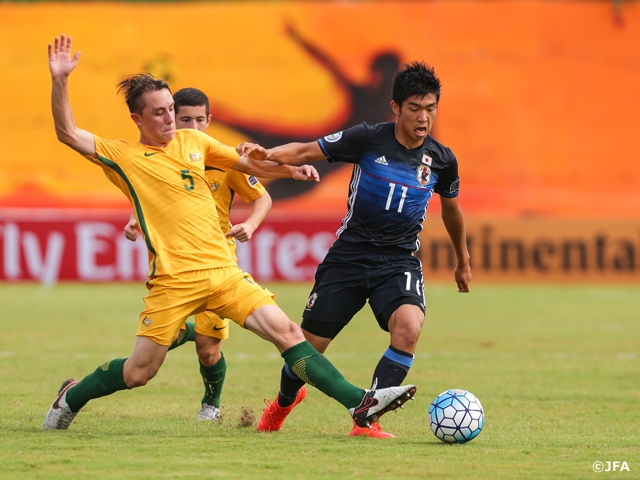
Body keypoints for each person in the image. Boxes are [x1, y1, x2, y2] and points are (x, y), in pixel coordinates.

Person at [43, 34, 417, 431]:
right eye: (159, 113)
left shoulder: (194, 141)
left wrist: (289, 169)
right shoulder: (124, 156)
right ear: (137, 119)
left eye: (172, 109)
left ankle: (360, 403)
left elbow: (247, 165)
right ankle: (73, 395)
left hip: (224, 271)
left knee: (286, 331)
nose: (170, 119)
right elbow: (68, 133)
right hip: (174, 281)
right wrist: (60, 80)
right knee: (139, 372)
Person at [244, 61, 471, 438]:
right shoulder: (367, 138)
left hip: (398, 260)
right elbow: (304, 151)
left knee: (409, 328)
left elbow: (452, 210)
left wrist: (462, 261)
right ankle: (283, 402)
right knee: (308, 347)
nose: (423, 117)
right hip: (349, 256)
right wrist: (266, 155)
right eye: (415, 108)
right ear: (396, 108)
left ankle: (366, 420)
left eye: (430, 108)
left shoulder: (442, 160)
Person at [123, 87, 273, 421]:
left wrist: (250, 224)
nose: (191, 126)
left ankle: (211, 404)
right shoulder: (164, 156)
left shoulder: (225, 161)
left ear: (209, 121)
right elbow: (150, 199)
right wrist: (134, 220)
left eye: (198, 120)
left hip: (218, 264)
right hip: (173, 265)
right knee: (150, 358)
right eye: (184, 118)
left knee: (208, 350)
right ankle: (187, 334)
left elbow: (262, 198)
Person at [209, 24, 401, 200]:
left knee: (258, 190)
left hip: (312, 167)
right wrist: (298, 40)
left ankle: (218, 119)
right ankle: (218, 118)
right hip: (311, 156)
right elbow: (331, 66)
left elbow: (332, 67)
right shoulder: (373, 102)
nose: (373, 77)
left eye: (378, 73)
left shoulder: (388, 112)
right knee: (259, 142)